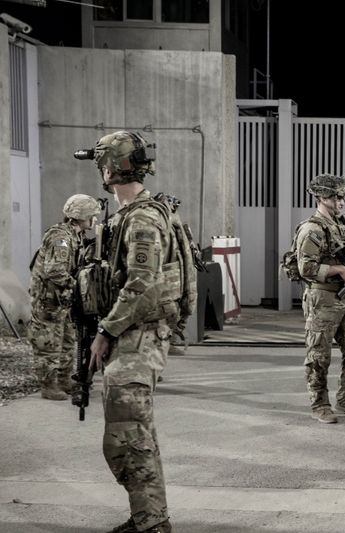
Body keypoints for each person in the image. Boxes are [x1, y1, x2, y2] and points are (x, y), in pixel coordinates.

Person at [86, 131, 180, 533]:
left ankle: (152, 524)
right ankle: (150, 517)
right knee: (137, 434)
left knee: (126, 439)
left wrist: (106, 331)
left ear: (110, 168)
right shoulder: (133, 213)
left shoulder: (141, 217)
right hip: (134, 335)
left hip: (136, 336)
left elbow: (142, 281)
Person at [294, 174, 345, 424]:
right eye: (335, 196)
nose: (341, 201)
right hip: (323, 299)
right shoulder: (312, 229)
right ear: (320, 197)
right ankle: (320, 403)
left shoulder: (342, 226)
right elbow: (306, 269)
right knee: (319, 355)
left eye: (342, 196)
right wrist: (337, 270)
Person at [28, 194, 100, 400]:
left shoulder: (75, 236)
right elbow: (55, 271)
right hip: (49, 301)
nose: (94, 219)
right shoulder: (61, 238)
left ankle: (64, 380)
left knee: (68, 340)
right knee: (48, 343)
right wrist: (78, 286)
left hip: (62, 300)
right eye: (92, 215)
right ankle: (48, 385)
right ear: (81, 216)